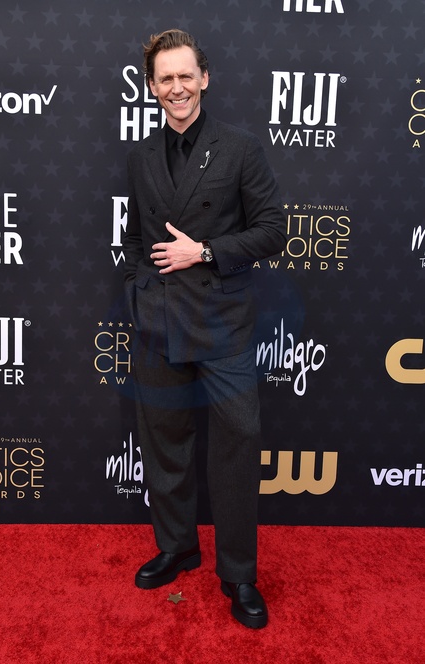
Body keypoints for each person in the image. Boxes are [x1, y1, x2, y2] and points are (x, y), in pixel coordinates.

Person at [123, 29, 286, 629]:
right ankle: (177, 546)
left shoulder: (240, 147)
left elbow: (273, 229)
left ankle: (238, 574)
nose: (177, 87)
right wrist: (139, 291)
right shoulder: (141, 155)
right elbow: (136, 237)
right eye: (165, 78)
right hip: (159, 321)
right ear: (151, 87)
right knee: (164, 441)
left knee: (238, 443)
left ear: (205, 79)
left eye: (185, 75)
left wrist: (206, 252)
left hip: (222, 321)